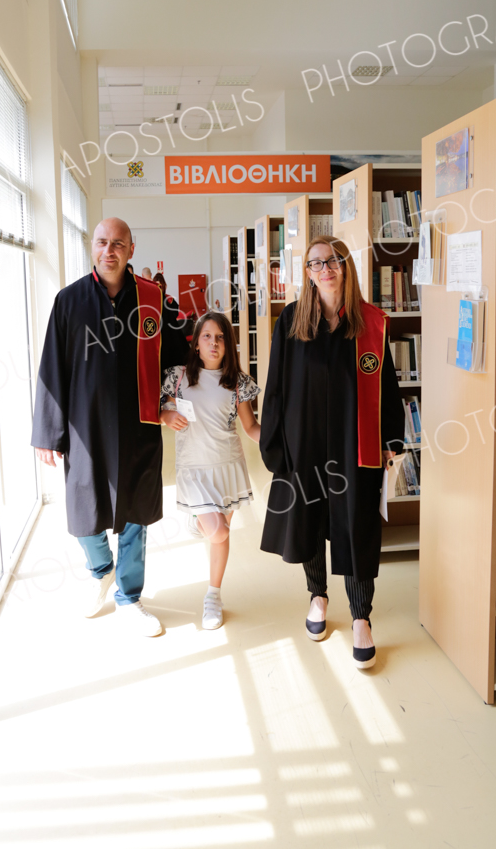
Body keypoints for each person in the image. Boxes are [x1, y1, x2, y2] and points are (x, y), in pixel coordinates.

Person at [31, 218, 188, 636]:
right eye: (102, 242)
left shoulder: (154, 299)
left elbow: (175, 359)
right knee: (84, 506)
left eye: (118, 244)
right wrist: (48, 432)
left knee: (135, 513)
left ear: (131, 250)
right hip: (85, 426)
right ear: (92, 247)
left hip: (139, 426)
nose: (109, 251)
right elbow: (52, 368)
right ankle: (101, 569)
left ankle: (129, 597)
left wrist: (167, 403)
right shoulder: (69, 301)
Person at [259, 235, 404, 669]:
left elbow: (387, 386)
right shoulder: (291, 321)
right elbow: (276, 386)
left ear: (346, 266)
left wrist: (392, 441)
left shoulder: (371, 323)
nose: (325, 269)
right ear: (307, 272)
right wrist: (275, 445)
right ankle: (317, 596)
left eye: (333, 260)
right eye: (316, 263)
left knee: (357, 525)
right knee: (308, 521)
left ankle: (361, 617)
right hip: (304, 442)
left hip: (353, 444)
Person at [161, 312, 260, 630]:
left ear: (228, 344)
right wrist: (166, 415)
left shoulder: (237, 382)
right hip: (193, 469)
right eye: (207, 336)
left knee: (220, 535)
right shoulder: (178, 377)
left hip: (228, 467)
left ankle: (213, 596)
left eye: (220, 337)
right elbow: (159, 408)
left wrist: (281, 440)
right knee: (218, 532)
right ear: (196, 343)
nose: (213, 343)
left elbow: (250, 427)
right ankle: (197, 519)